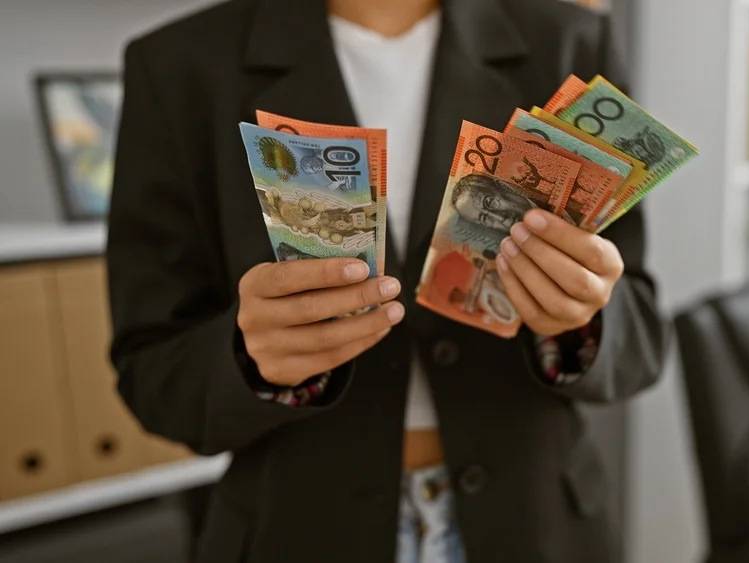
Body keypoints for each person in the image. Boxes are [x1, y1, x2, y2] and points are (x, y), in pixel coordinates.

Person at [106, 0, 667, 561]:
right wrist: (249, 360)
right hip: (300, 531)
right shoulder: (180, 64)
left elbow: (640, 339)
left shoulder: (569, 43)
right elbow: (153, 373)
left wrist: (580, 320)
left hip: (539, 526)